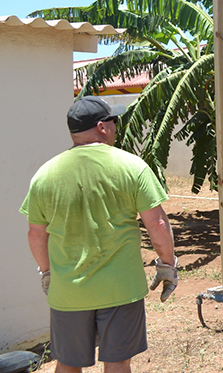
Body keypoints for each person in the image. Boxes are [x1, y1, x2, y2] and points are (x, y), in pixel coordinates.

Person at [20, 96, 177, 373]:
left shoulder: (45, 175)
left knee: (67, 364)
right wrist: (167, 265)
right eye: (114, 121)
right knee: (117, 363)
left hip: (68, 292)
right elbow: (158, 225)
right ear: (102, 127)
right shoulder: (131, 166)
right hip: (121, 289)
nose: (116, 127)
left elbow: (36, 234)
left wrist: (47, 273)